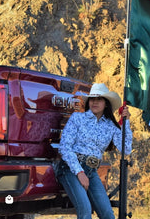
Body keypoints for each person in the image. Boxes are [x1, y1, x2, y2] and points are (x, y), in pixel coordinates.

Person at [57, 83, 133, 219]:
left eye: (99, 99)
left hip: (92, 172)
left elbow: (125, 149)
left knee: (108, 215)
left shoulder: (110, 126)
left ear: (106, 103)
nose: (95, 102)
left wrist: (126, 121)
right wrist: (79, 172)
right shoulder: (78, 118)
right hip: (70, 169)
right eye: (92, 99)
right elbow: (65, 147)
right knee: (85, 212)